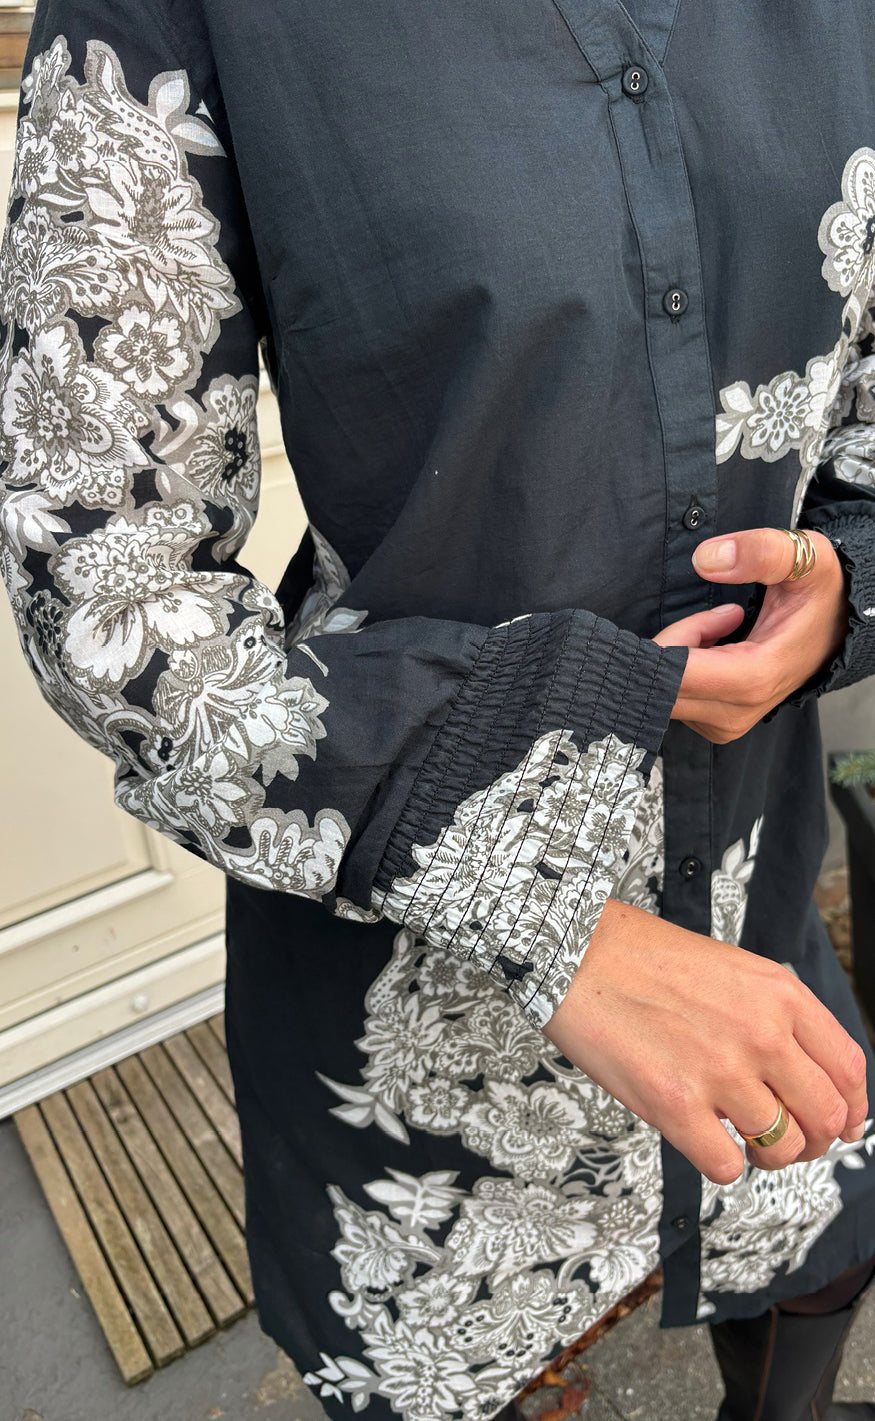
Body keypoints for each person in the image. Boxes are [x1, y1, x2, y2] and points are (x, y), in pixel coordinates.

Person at [1, 1, 874, 1417]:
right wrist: (557, 915)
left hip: (749, 873)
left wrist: (844, 585)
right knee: (448, 1375)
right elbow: (103, 572)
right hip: (407, 968)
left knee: (816, 1246)